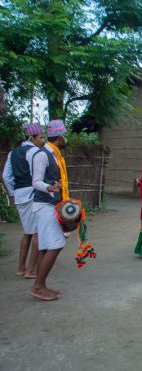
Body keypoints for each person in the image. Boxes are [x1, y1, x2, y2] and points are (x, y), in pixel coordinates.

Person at [30, 119, 69, 301]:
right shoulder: (42, 154)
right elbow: (36, 181)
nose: (65, 139)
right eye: (64, 136)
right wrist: (49, 188)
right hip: (45, 205)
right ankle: (38, 286)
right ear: (60, 136)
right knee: (56, 244)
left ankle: (41, 285)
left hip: (52, 204)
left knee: (47, 246)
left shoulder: (55, 155)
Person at [2, 123, 45, 278]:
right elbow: (37, 176)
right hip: (34, 194)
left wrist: (15, 191)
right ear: (31, 138)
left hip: (20, 195)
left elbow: (6, 177)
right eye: (40, 137)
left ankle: (20, 268)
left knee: (27, 232)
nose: (43, 140)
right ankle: (31, 270)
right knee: (38, 232)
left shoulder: (13, 153)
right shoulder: (36, 152)